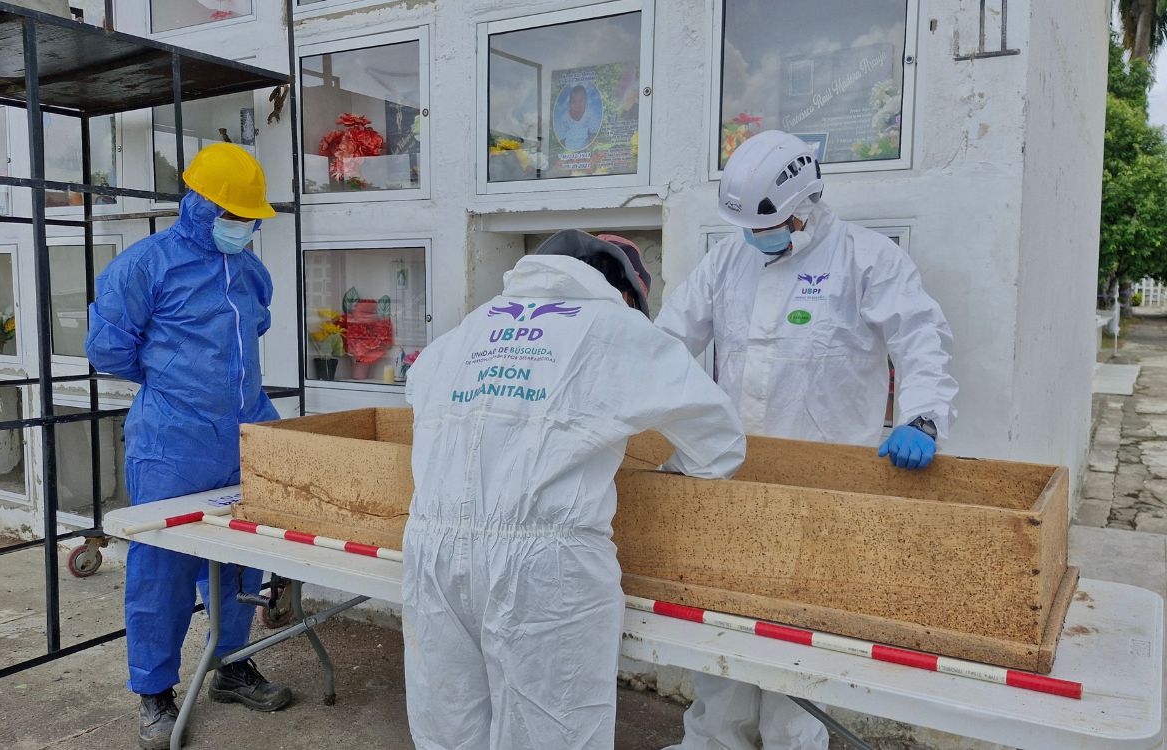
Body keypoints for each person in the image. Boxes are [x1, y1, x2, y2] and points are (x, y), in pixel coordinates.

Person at [656, 131, 958, 750]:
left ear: (807, 203)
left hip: (820, 497)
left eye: (770, 224)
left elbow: (921, 340)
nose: (756, 237)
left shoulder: (867, 260)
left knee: (800, 656)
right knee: (722, 642)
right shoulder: (726, 263)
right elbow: (667, 341)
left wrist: (923, 418)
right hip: (732, 486)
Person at [402, 229, 746, 750]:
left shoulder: (465, 331)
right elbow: (719, 443)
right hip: (547, 569)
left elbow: (423, 400)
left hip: (432, 552)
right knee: (551, 728)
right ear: (626, 291)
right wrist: (665, 485)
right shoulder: (618, 329)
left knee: (448, 724)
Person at [86, 144, 292, 750]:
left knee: (239, 559)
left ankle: (231, 666)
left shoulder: (250, 270)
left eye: (251, 217)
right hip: (172, 444)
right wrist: (176, 384)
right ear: (199, 204)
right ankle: (153, 693)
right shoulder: (145, 266)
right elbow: (109, 351)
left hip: (244, 435)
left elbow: (255, 331)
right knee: (164, 568)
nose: (245, 226)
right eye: (235, 213)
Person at [558, 84, 597, 150]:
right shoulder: (565, 117)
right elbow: (562, 137)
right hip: (569, 147)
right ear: (569, 103)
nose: (577, 105)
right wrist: (565, 149)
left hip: (585, 147)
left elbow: (593, 134)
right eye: (574, 101)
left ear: (586, 102)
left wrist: (590, 147)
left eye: (581, 101)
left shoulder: (589, 114)